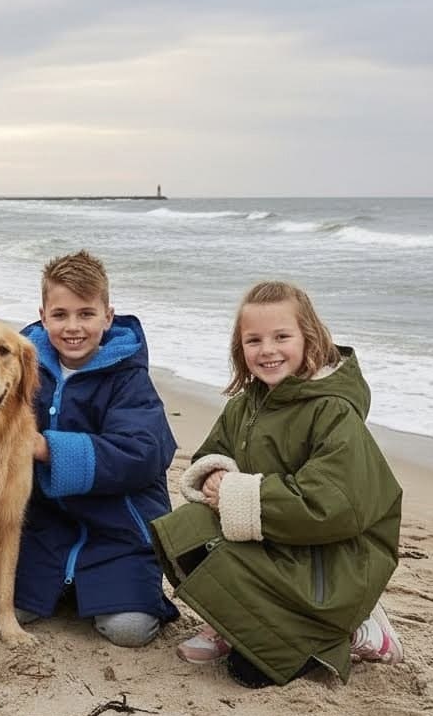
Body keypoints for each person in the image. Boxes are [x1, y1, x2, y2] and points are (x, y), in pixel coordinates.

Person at [0, 250, 179, 646]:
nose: (72, 327)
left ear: (108, 316)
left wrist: (46, 448)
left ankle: (96, 589)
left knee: (129, 630)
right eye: (60, 315)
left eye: (86, 314)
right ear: (44, 316)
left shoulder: (130, 379)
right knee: (2, 612)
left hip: (117, 530)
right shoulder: (27, 353)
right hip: (48, 527)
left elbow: (142, 455)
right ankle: (71, 589)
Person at [149, 281, 403, 688]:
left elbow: (329, 506)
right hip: (275, 544)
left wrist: (237, 493)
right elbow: (210, 455)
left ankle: (360, 630)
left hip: (332, 560)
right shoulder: (245, 404)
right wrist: (214, 475)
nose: (267, 350)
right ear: (240, 348)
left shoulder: (334, 412)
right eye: (254, 340)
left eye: (281, 337)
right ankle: (230, 624)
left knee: (250, 673)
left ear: (310, 338)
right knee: (186, 529)